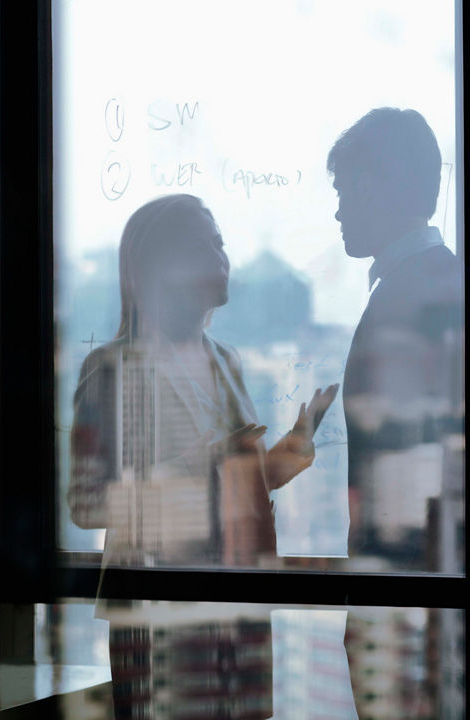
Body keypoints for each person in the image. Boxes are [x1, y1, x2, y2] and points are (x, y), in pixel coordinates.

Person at [67, 193, 338, 718]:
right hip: (157, 608)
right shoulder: (112, 368)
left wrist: (292, 449)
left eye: (220, 243)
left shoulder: (226, 361)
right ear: (161, 269)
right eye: (202, 246)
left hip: (237, 601)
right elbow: (85, 505)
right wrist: (199, 464)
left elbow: (233, 484)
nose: (221, 257)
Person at [328, 107, 470, 572]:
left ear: (368, 188)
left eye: (342, 191)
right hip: (443, 581)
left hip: (410, 589)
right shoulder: (467, 290)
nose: (338, 211)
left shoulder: (407, 301)